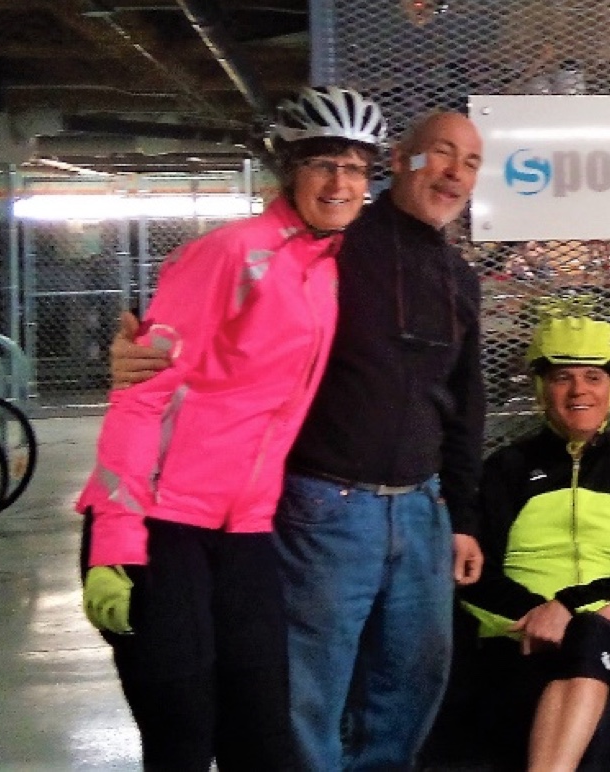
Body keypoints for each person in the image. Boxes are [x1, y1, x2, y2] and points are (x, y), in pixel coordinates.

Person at [108, 108, 488, 770]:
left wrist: (462, 517)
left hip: (421, 510)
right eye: (441, 153)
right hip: (323, 506)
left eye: (471, 162)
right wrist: (134, 352)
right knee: (307, 692)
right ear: (401, 160)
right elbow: (200, 318)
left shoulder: (459, 277)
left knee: (410, 683)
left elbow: (465, 401)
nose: (455, 172)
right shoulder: (334, 244)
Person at [77, 85, 386, 770]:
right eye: (323, 164)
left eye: (355, 168)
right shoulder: (231, 253)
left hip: (243, 528)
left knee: (264, 740)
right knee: (183, 741)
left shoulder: (328, 268)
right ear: (289, 170)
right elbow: (141, 397)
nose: (340, 183)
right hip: (159, 523)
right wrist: (115, 542)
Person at [459, 316, 610, 772]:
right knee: (595, 723)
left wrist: (569, 609)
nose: (579, 391)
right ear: (542, 388)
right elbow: (474, 574)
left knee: (592, 633)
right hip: (521, 648)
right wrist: (538, 616)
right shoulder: (507, 467)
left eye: (593, 377)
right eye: (563, 377)